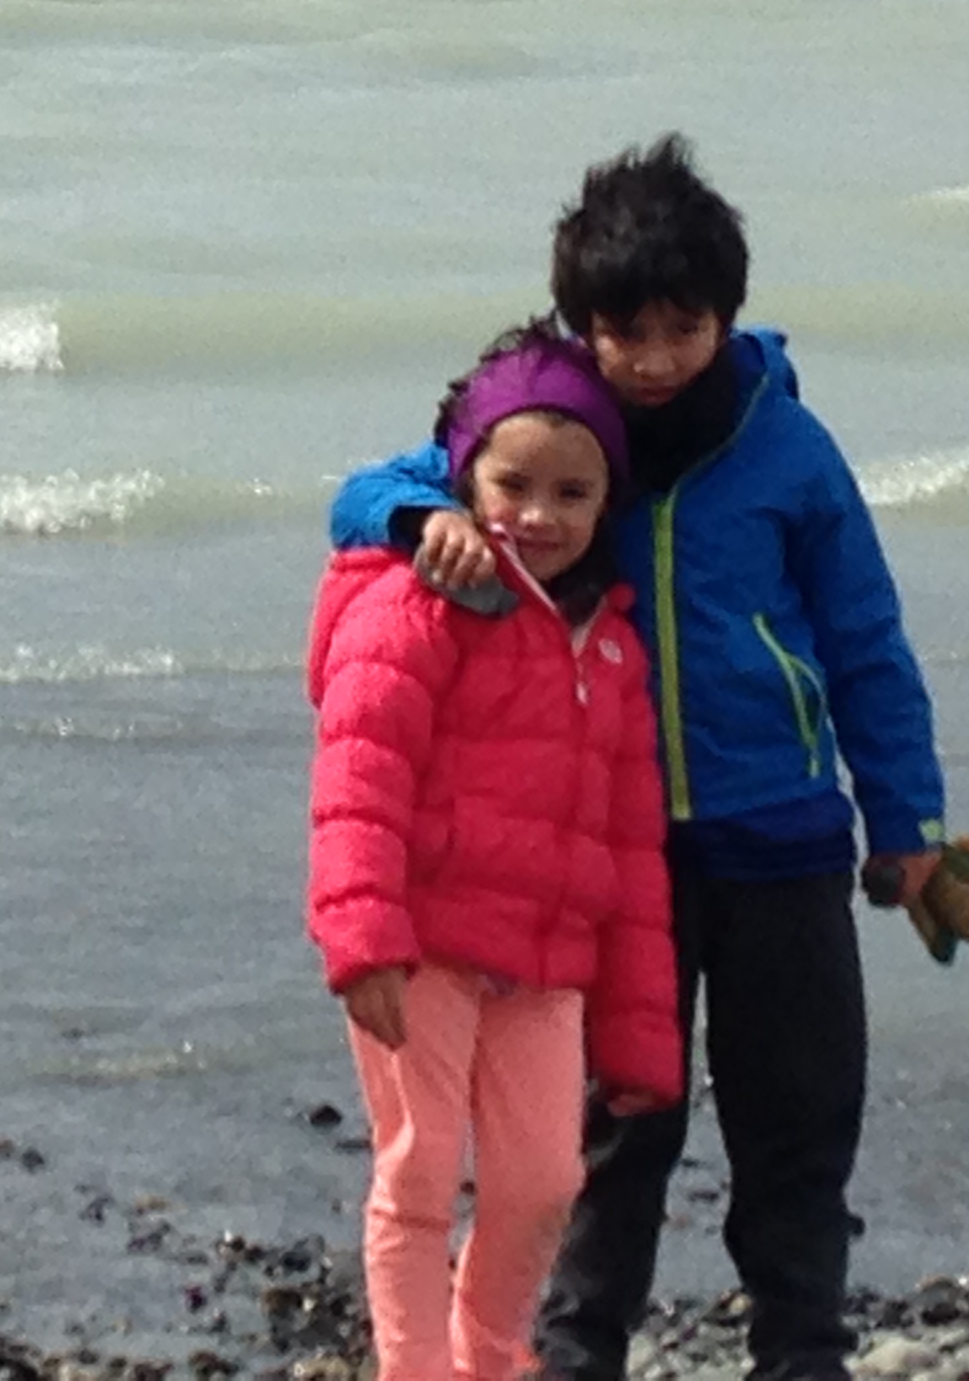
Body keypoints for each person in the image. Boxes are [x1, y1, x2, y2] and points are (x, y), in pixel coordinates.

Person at [327, 135, 948, 1381]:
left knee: (799, 1125)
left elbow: (867, 641)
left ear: (727, 314)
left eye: (685, 324)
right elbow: (367, 490)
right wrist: (419, 517)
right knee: (613, 1135)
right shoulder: (554, 438)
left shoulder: (790, 450)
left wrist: (908, 825)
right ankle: (572, 1357)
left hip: (780, 835)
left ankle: (802, 1354)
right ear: (582, 326)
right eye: (627, 329)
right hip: (615, 857)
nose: (656, 358)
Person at [307, 328, 682, 1381]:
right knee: (420, 1166)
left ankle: (486, 1356)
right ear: (462, 478)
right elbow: (356, 774)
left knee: (545, 1181)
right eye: (512, 484)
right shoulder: (419, 602)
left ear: (607, 504)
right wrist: (363, 934)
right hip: (417, 941)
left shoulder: (610, 644)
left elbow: (631, 849)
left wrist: (642, 1033)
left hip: (545, 964)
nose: (538, 514)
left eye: (572, 492)